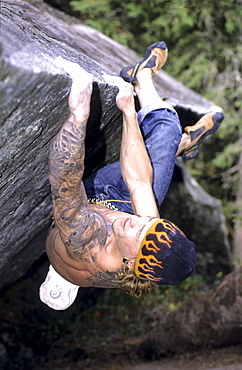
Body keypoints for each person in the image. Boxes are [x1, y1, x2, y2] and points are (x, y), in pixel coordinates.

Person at [39, 42, 224, 310]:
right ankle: (144, 81)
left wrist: (78, 117)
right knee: (167, 130)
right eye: (148, 225)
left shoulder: (88, 243)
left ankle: (65, 276)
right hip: (116, 203)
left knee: (71, 238)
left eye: (140, 236)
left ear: (133, 265)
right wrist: (128, 112)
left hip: (83, 207)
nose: (138, 224)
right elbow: (138, 181)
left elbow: (64, 181)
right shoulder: (146, 232)